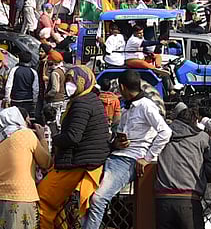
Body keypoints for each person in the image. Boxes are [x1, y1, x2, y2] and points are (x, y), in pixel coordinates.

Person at [82, 70, 171, 229]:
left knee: (98, 199)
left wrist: (148, 158)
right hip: (115, 155)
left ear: (122, 87)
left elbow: (165, 132)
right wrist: (116, 143)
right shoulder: (127, 108)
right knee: (85, 195)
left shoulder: (146, 106)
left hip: (128, 160)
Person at [37, 67, 111, 229]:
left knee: (42, 199)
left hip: (76, 162)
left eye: (74, 81)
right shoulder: (91, 100)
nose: (70, 85)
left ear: (84, 82)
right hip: (86, 159)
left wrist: (55, 139)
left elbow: (72, 137)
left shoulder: (81, 104)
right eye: (68, 81)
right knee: (55, 206)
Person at [155, 107, 211, 229]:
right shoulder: (202, 138)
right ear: (195, 122)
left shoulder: (162, 136)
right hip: (189, 199)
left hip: (162, 199)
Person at [0, 106, 50, 229]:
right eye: (27, 121)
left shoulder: (2, 139)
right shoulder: (26, 135)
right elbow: (46, 162)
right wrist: (42, 138)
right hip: (23, 196)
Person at [4, 53, 38, 118]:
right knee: (26, 118)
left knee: (16, 117)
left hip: (16, 99)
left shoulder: (14, 70)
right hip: (28, 99)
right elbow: (35, 88)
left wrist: (7, 98)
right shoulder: (33, 72)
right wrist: (34, 100)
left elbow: (8, 85)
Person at [43, 50, 66, 127]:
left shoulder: (55, 73)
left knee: (52, 122)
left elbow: (55, 89)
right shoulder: (62, 70)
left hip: (54, 101)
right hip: (61, 100)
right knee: (58, 121)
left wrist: (47, 95)